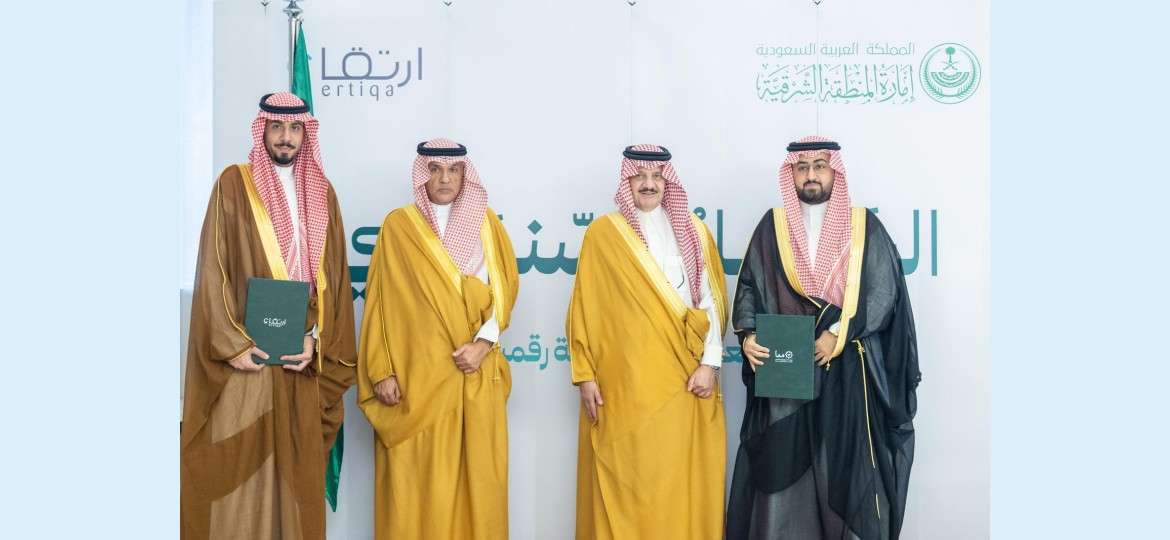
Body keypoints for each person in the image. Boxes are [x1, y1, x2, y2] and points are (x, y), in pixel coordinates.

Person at [181, 92, 357, 540]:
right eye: (277, 127)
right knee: (238, 479)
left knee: (296, 480)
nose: (286, 137)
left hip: (300, 361)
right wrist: (233, 344)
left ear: (306, 134)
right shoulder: (234, 184)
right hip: (247, 360)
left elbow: (336, 280)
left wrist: (316, 340)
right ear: (262, 130)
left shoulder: (324, 194)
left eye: (295, 128)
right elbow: (214, 268)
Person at [725, 136, 921, 540]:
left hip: (845, 371)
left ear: (835, 171)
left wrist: (837, 334)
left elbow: (883, 293)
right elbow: (748, 287)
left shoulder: (863, 226)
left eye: (819, 166)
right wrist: (748, 335)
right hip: (786, 372)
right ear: (791, 174)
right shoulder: (772, 226)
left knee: (843, 470)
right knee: (783, 473)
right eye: (802, 167)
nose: (810, 175)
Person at [358, 138, 519, 539]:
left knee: (477, 488)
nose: (445, 178)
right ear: (422, 174)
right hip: (415, 383)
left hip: (472, 376)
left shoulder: (487, 224)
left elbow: (504, 291)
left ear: (465, 175)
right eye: (435, 169)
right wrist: (381, 371)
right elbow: (378, 302)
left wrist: (483, 345)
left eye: (454, 170)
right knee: (416, 493)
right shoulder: (399, 226)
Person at [567, 144, 728, 539]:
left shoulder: (695, 231)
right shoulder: (603, 234)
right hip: (622, 388)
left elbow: (711, 302)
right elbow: (584, 307)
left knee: (676, 484)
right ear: (628, 181)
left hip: (683, 380)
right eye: (639, 176)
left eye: (657, 176)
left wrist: (710, 365)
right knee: (627, 483)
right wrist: (585, 375)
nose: (649, 184)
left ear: (668, 182)